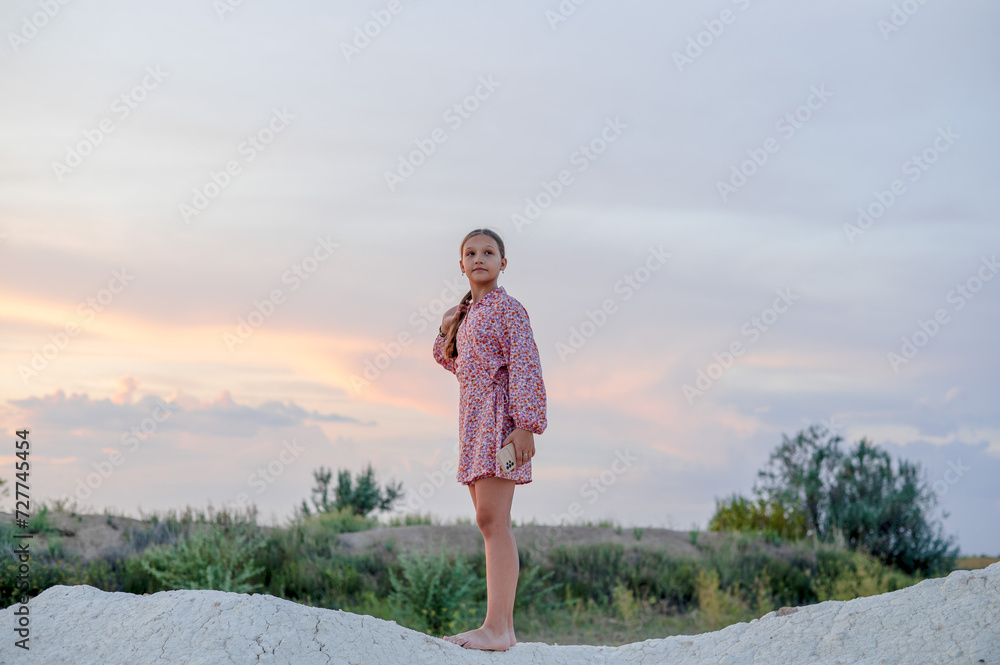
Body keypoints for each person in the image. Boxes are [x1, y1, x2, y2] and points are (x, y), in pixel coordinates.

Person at [431, 227, 547, 651]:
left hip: (501, 419)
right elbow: (457, 364)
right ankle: (501, 628)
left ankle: (498, 627)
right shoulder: (466, 315)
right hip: (472, 422)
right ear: (461, 264)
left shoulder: (509, 310)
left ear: (502, 262)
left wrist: (526, 424)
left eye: (489, 252)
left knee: (493, 521)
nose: (479, 258)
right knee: (487, 522)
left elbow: (525, 362)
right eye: (471, 253)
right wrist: (448, 327)